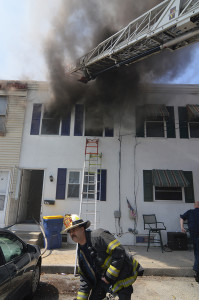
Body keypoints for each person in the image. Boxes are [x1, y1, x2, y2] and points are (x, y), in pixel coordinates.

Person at [61, 214, 143, 300]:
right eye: (69, 231)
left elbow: (119, 251)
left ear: (82, 229)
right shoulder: (81, 252)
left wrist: (109, 276)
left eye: (73, 230)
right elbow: (85, 279)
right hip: (103, 280)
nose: (71, 234)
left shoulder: (99, 236)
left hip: (123, 274)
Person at [180, 201, 199, 283]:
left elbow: (181, 218)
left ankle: (197, 270)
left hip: (194, 234)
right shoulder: (190, 212)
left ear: (195, 206)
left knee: (197, 251)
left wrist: (182, 227)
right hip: (195, 234)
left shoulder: (190, 212)